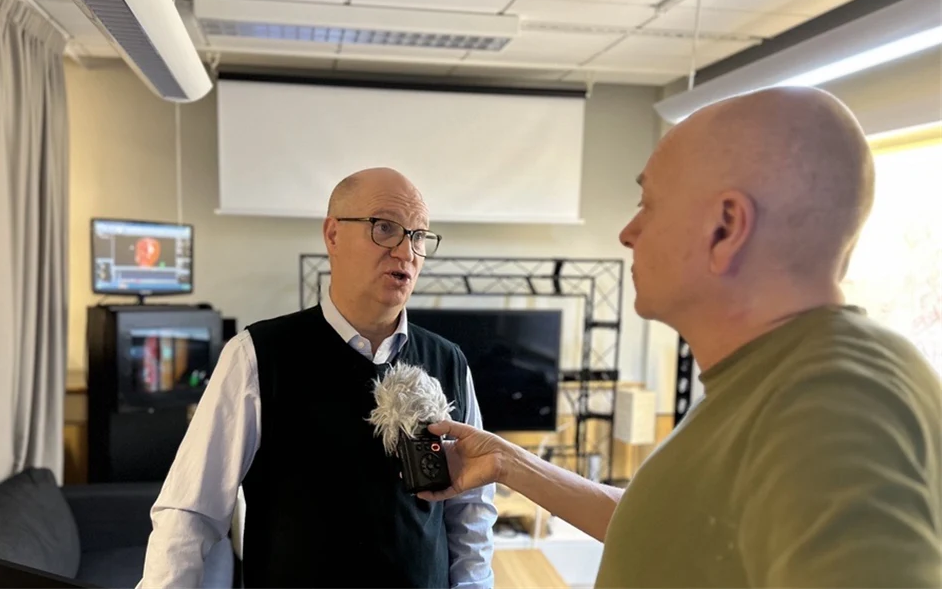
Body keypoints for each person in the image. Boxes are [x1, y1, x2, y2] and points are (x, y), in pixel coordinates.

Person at [419, 86, 942, 588]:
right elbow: (676, 530)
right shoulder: (777, 380)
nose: (628, 232)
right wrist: (509, 463)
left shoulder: (832, 404)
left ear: (725, 228)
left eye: (648, 203)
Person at [139, 168, 497, 589]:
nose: (406, 252)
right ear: (332, 235)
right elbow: (189, 513)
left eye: (419, 236)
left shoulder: (448, 361)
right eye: (385, 228)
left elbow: (470, 513)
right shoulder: (258, 356)